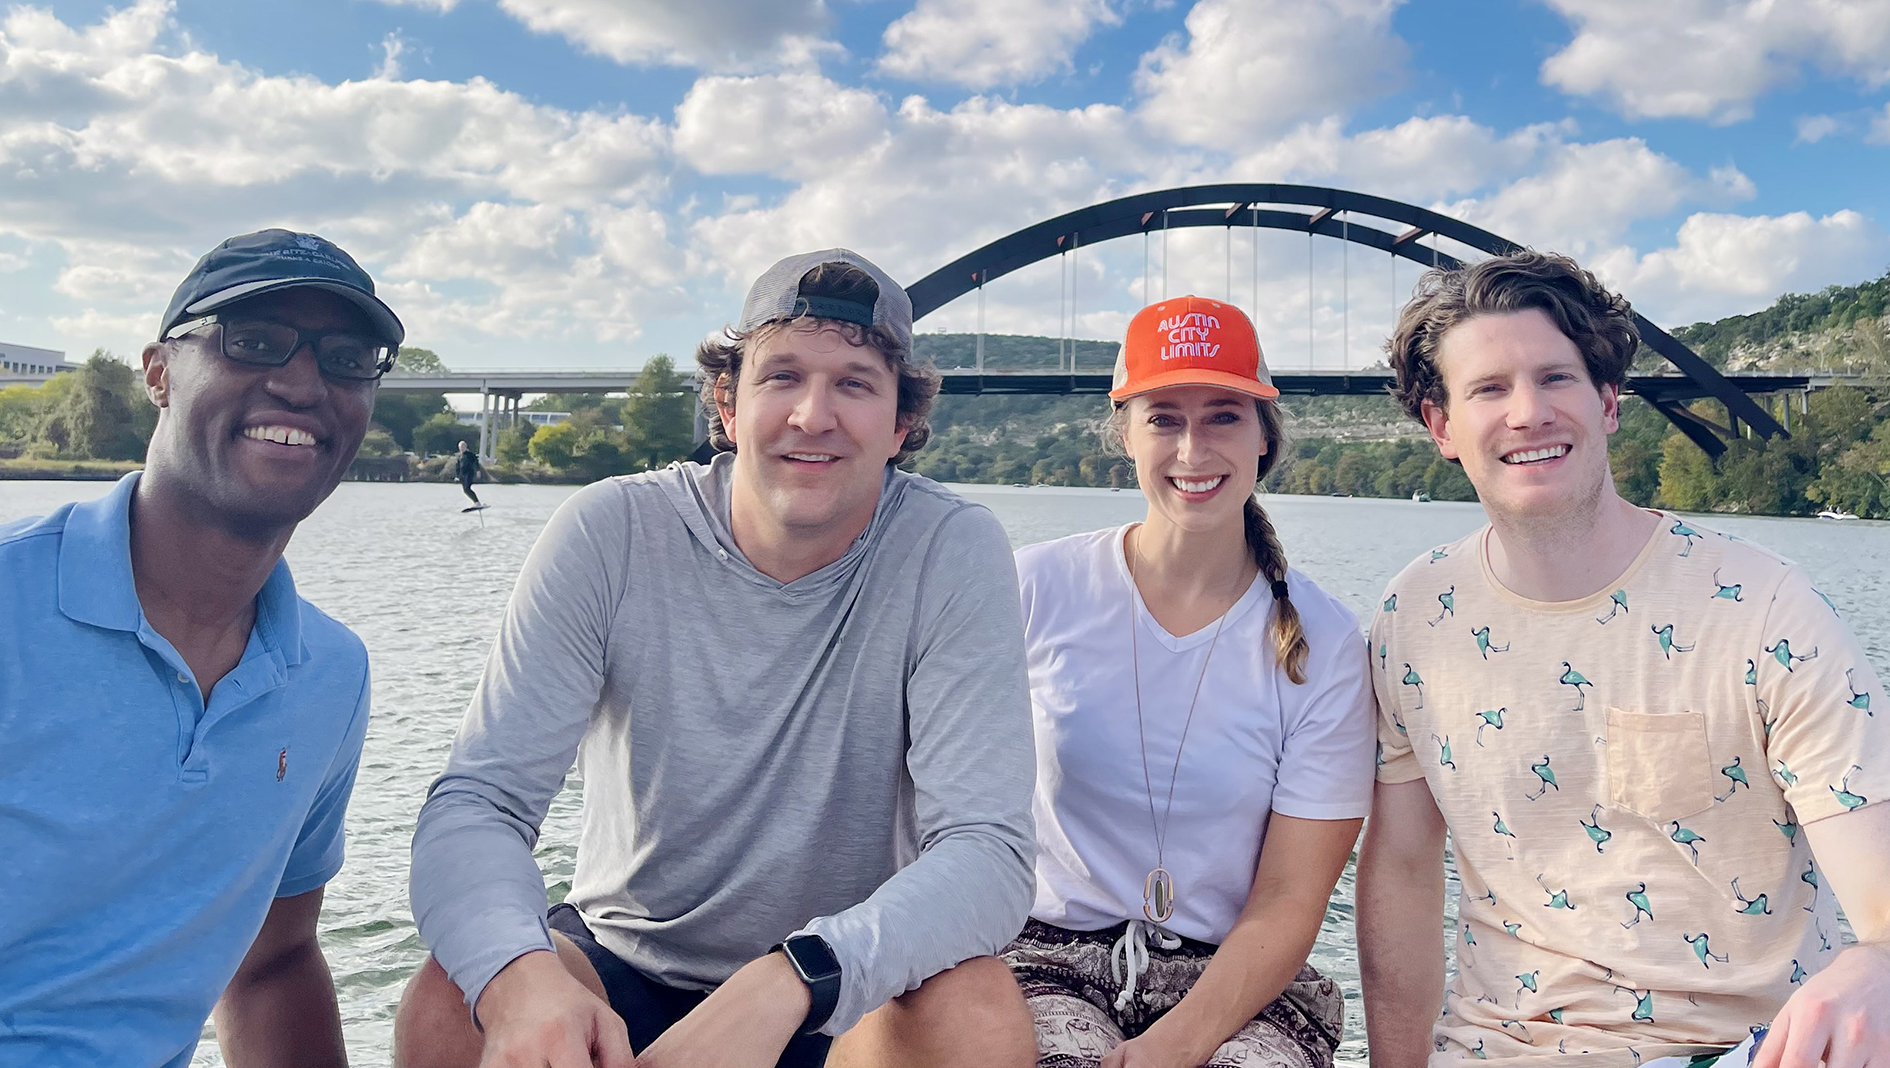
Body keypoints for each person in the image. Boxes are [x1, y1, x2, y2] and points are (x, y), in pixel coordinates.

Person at [395, 249, 1039, 1068]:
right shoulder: (612, 533)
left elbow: (988, 852)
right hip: (618, 966)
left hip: (841, 991)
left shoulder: (951, 550)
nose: (813, 414)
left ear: (902, 422)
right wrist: (518, 977)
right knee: (455, 996)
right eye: (783, 377)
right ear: (728, 407)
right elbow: (480, 802)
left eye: (855, 382)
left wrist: (793, 979)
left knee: (971, 1010)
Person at [1356, 250, 1890, 1068]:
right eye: (1489, 389)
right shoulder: (1414, 617)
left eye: (1556, 379)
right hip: (1499, 1051)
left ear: (1608, 402)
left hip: (1740, 1052)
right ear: (1441, 427)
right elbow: (1398, 869)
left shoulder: (1761, 607)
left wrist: (1877, 960)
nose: (1528, 412)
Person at [0, 228, 403, 1066]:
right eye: (252, 342)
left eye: (346, 357)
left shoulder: (330, 674)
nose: (301, 383)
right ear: (159, 373)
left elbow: (272, 963)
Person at [1001, 296, 1376, 1068]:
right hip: (1046, 961)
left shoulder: (1328, 642)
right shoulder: (1033, 589)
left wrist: (1171, 1047)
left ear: (1264, 435)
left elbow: (1289, 902)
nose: (1193, 449)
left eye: (1224, 416)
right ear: (1125, 434)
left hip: (1237, 975)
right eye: (1164, 417)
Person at [456, 439, 483, 507]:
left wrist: (478, 471)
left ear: (465, 447)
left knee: (467, 488)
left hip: (469, 473)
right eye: (460, 447)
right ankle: (476, 502)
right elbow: (457, 467)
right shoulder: (459, 456)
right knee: (465, 490)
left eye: (463, 447)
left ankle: (477, 502)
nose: (461, 448)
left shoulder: (470, 454)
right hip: (462, 475)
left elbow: (476, 462)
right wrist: (457, 476)